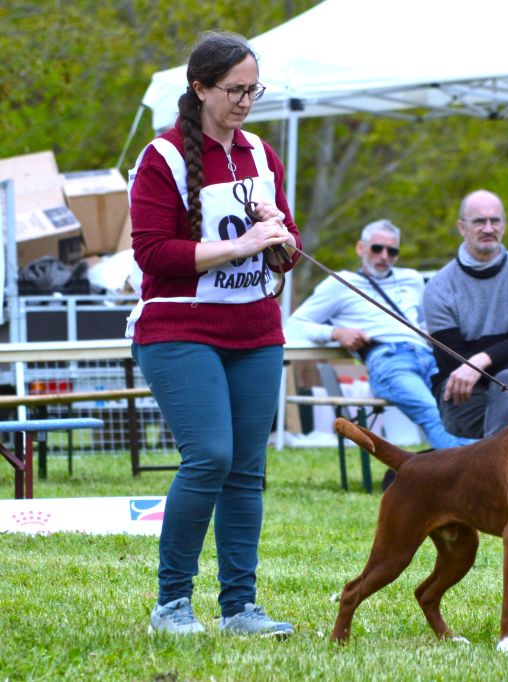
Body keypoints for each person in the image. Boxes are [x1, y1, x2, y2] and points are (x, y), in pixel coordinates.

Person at [128, 31, 300, 637]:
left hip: (255, 328)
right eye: (234, 89)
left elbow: (286, 246)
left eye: (254, 89)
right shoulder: (163, 157)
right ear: (199, 88)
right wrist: (239, 243)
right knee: (210, 457)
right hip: (178, 327)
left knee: (247, 471)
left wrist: (281, 240)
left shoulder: (260, 152)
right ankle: (171, 605)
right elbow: (152, 254)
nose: (246, 100)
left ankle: (239, 608)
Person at [285, 220, 473, 450]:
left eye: (392, 251)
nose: (384, 256)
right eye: (377, 248)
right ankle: (471, 473)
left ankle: (469, 467)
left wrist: (429, 331)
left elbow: (425, 321)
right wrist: (335, 332)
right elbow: (295, 324)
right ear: (361, 248)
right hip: (389, 360)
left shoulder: (412, 279)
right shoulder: (341, 283)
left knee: (465, 411)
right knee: (432, 414)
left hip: (429, 356)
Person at [423, 190, 508, 439]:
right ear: (462, 227)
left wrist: (480, 361)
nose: (489, 228)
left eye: (496, 221)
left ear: (504, 226)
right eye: (479, 221)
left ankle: (496, 470)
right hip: (464, 392)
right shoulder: (438, 286)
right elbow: (453, 360)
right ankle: (504, 467)